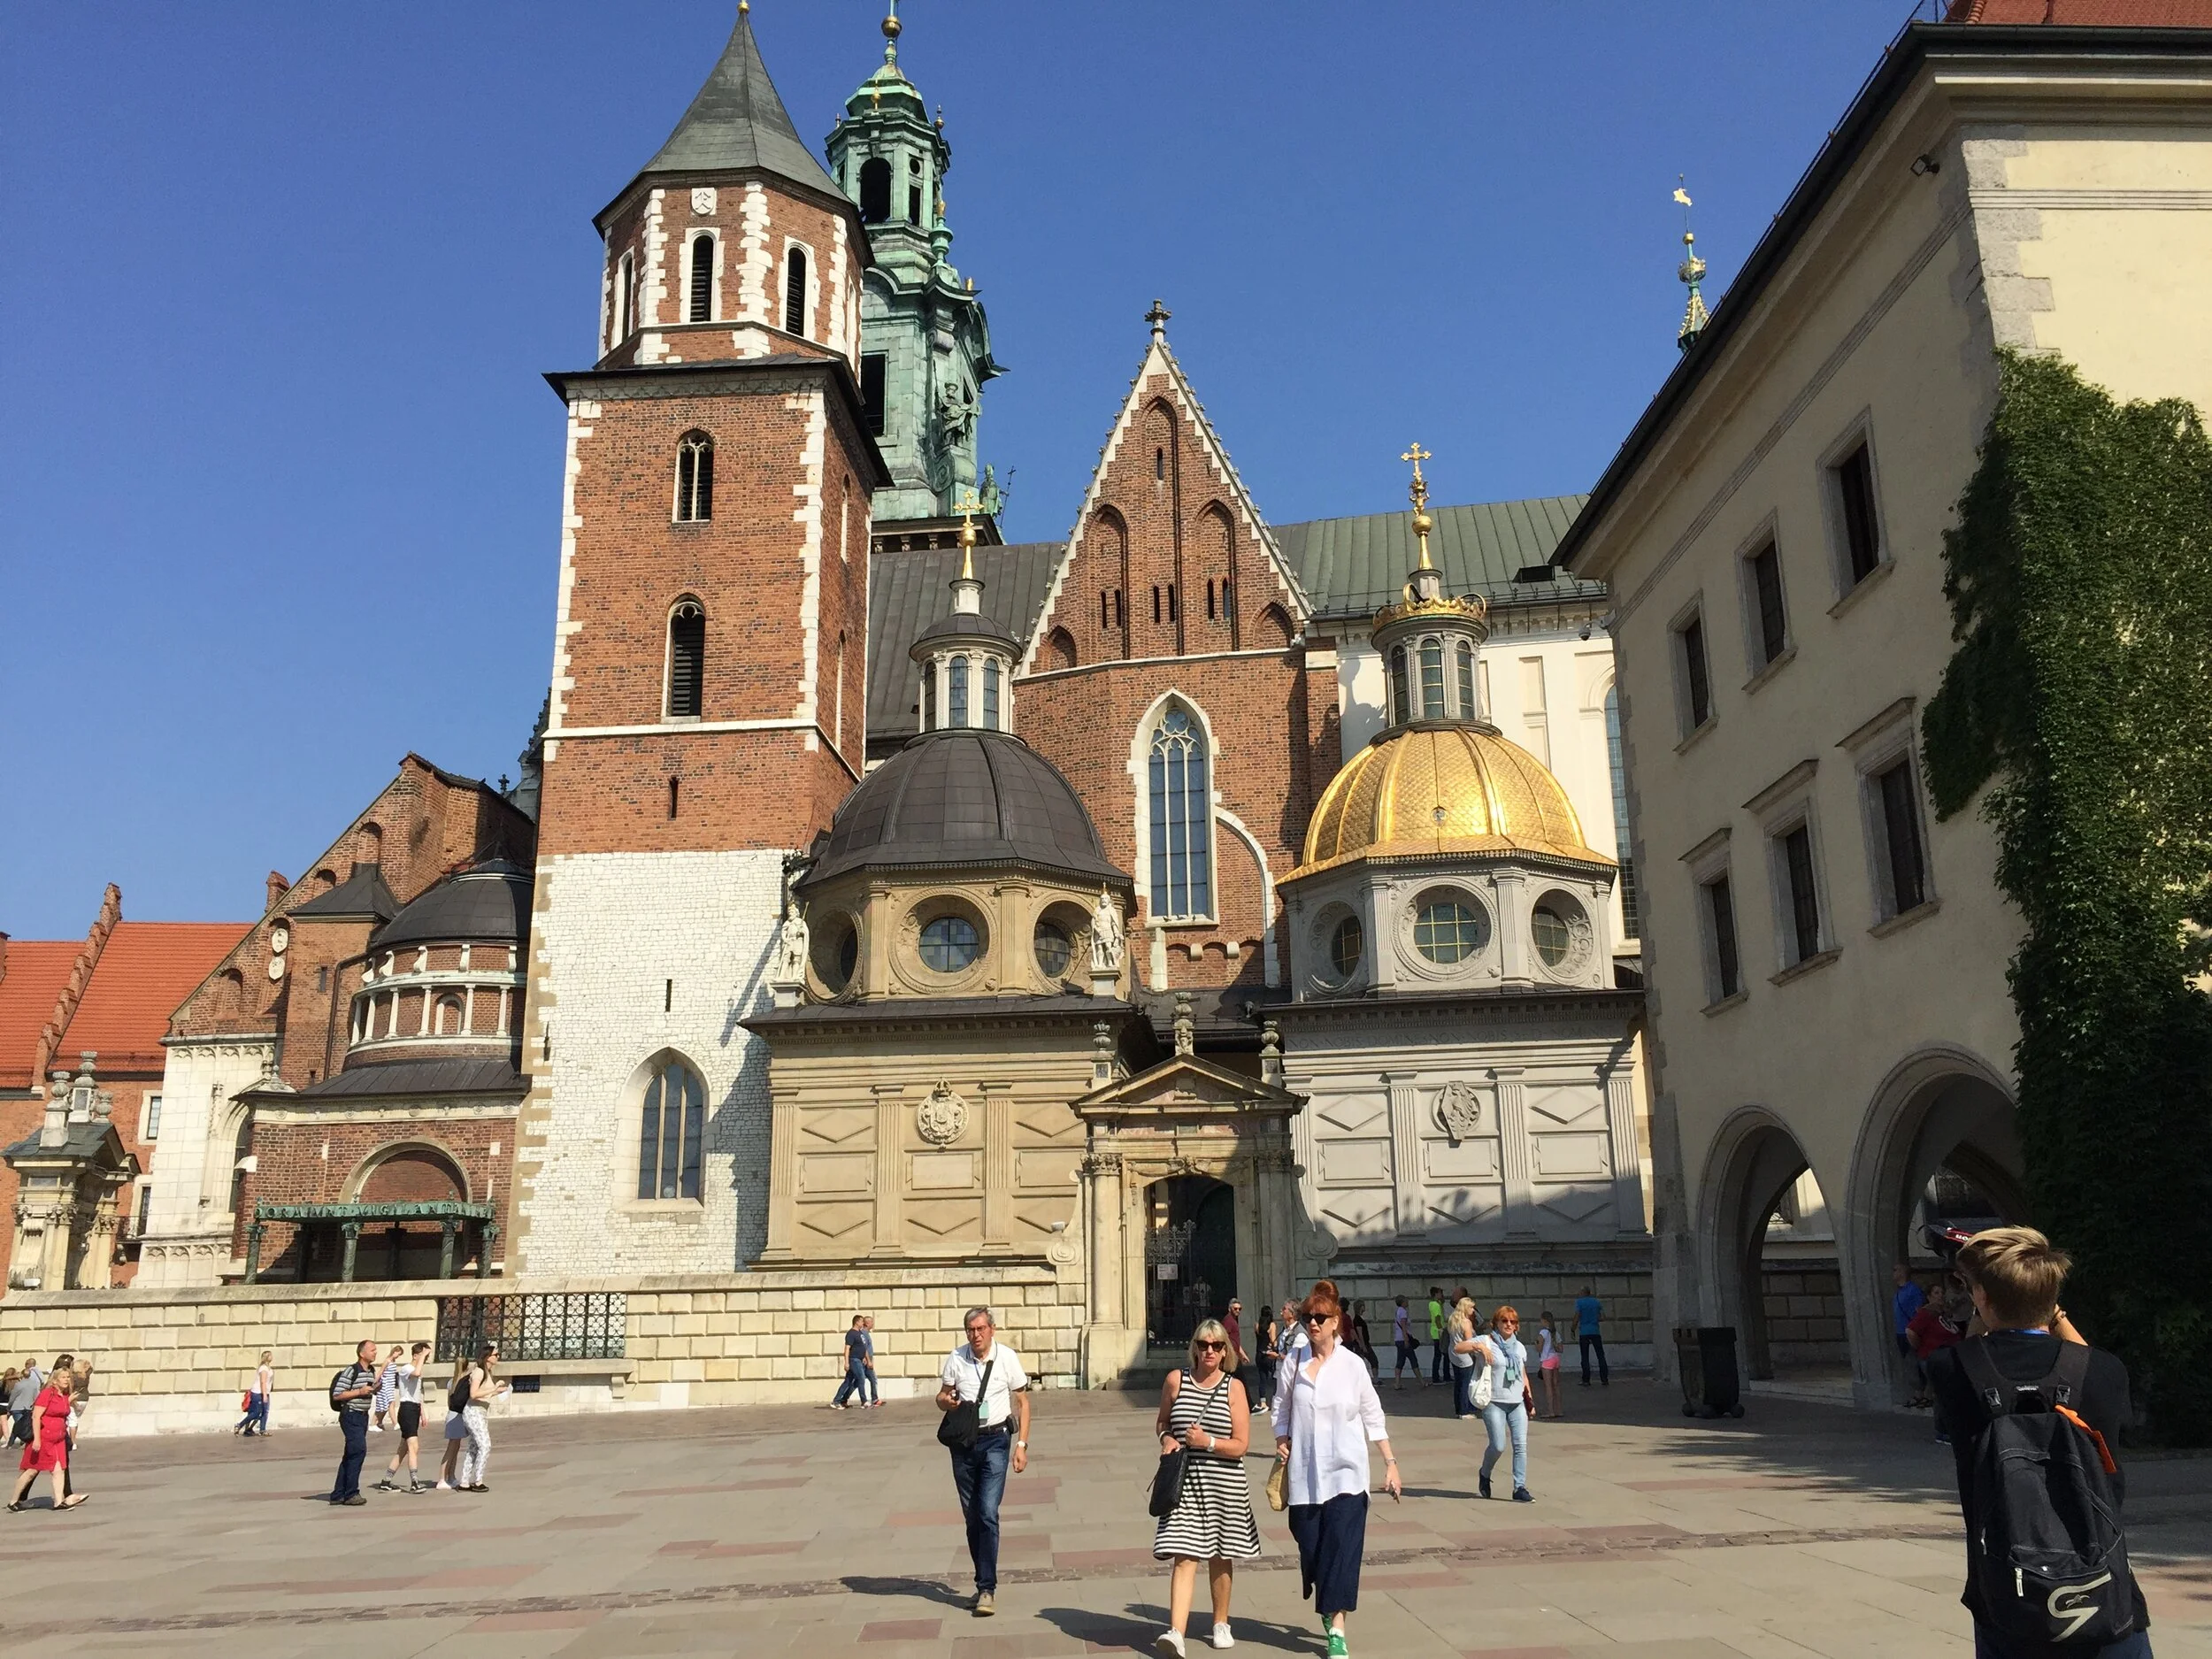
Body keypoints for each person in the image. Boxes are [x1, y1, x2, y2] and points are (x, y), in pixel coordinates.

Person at [1924, 1227, 2151, 1659]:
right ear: (2052, 1299)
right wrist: (2055, 1314)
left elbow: (1973, 1351)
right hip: (2104, 1592)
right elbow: (2086, 1363)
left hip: (2008, 1595)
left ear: (1982, 1297)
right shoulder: (2106, 1370)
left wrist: (1982, 1294)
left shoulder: (1950, 1369)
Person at [1274, 1280, 1399, 1659]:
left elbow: (1372, 1415)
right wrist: (1281, 1436)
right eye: (1308, 1317)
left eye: (1320, 1317)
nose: (1312, 1323)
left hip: (1347, 1474)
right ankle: (1328, 1598)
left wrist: (1390, 1463)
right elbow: (1281, 1406)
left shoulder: (1353, 1366)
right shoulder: (1295, 1361)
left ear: (1335, 1323)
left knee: (1342, 1549)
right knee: (1310, 1543)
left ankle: (1337, 1627)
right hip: (1305, 1476)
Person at [1151, 1317, 1261, 1655]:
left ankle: (1220, 1622)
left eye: (1216, 1346)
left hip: (1223, 1482)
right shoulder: (1175, 1381)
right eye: (1203, 1344)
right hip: (1184, 1483)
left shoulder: (1234, 1388)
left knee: (1219, 1554)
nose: (1209, 1351)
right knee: (1184, 1556)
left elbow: (1241, 1444)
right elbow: (1162, 1422)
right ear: (1194, 1348)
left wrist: (1208, 1441)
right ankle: (1176, 1633)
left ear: (1225, 1350)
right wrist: (1167, 1438)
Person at [936, 1306, 1031, 1618]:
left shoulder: (1006, 1358)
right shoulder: (956, 1358)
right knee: (972, 1516)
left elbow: (1023, 1402)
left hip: (996, 1440)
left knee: (988, 1511)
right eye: (970, 1330)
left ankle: (987, 1587)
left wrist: (1021, 1445)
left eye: (980, 1329)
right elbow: (942, 1396)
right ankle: (982, 1584)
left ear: (992, 1329)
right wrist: (945, 1401)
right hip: (964, 1444)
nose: (975, 1335)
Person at [1471, 1305, 1534, 1502]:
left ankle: (1519, 1488)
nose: (1508, 1325)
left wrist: (1529, 1400)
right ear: (1496, 1323)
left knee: (1521, 1446)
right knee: (1498, 1446)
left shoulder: (1520, 1347)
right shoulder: (1487, 1341)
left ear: (1517, 1326)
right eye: (1504, 1321)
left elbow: (1523, 1375)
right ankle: (1485, 1472)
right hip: (1494, 1402)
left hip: (1517, 1403)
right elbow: (1458, 1347)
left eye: (1513, 1322)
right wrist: (1479, 1347)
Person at [316, 1339, 379, 1506]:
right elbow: (338, 1394)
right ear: (362, 1353)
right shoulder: (351, 1371)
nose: (375, 1352)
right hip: (351, 1415)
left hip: (363, 1416)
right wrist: (359, 1391)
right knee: (358, 1451)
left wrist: (373, 1389)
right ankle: (351, 1493)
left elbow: (368, 1391)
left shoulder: (371, 1371)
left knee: (351, 1454)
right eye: (372, 1350)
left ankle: (338, 1494)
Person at [375, 1341, 432, 1493]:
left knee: (403, 1449)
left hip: (414, 1409)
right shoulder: (407, 1369)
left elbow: (417, 1394)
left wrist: (422, 1413)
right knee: (414, 1446)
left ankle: (386, 1481)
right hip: (406, 1410)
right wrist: (422, 1358)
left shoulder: (417, 1369)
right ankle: (414, 1482)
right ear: (415, 1355)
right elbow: (417, 1373)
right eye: (424, 1356)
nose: (426, 1359)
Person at [453, 1344, 509, 1492]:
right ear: (487, 1357)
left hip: (481, 1412)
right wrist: (494, 1388)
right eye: (496, 1355)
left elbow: (485, 1394)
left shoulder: (487, 1372)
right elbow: (474, 1394)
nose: (498, 1357)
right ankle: (478, 1481)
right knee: (485, 1445)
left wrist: (499, 1391)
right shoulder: (478, 1372)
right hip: (473, 1412)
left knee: (473, 1447)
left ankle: (464, 1482)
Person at [1893, 1263, 1931, 1406]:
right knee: (1910, 1364)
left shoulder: (1913, 1290)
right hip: (1900, 1332)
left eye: (1896, 1270)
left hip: (1910, 1332)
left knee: (1916, 1363)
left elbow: (1918, 1311)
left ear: (1903, 1272)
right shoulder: (1899, 1292)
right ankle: (1918, 1393)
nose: (1893, 1273)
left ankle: (1923, 1393)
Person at [436, 1356, 471, 1490]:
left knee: (455, 1447)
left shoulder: (452, 1381)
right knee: (451, 1449)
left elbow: (449, 1402)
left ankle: (450, 1476)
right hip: (457, 1415)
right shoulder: (464, 1381)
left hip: (452, 1414)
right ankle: (442, 1478)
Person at [1448, 1297, 1480, 1419]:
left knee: (1458, 1383)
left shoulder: (1453, 1319)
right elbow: (1469, 1341)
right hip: (1465, 1356)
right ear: (1465, 1308)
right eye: (1471, 1307)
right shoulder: (1466, 1322)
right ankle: (1464, 1411)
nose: (1473, 1310)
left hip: (1453, 1353)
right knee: (1465, 1383)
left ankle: (1459, 1409)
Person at [832, 1315, 870, 1409]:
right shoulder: (851, 1333)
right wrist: (846, 1362)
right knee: (861, 1379)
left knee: (848, 1381)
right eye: (861, 1321)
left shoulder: (860, 1333)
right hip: (854, 1360)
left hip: (859, 1360)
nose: (863, 1323)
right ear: (856, 1322)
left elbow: (862, 1347)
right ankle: (864, 1401)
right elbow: (847, 1348)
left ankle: (839, 1400)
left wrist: (865, 1357)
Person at [1575, 1285, 1608, 1386]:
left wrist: (1573, 1328)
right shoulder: (1596, 1302)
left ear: (1583, 1293)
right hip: (1595, 1331)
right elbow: (1603, 1317)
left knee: (1585, 1356)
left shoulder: (1579, 1302)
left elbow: (1577, 1316)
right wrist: (1594, 1320)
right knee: (1600, 1355)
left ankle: (1586, 1380)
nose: (1578, 1294)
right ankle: (1604, 1378)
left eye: (1580, 1292)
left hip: (1584, 1332)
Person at [9, 1359, 43, 1448]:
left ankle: (14, 1443)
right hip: (29, 1407)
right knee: (25, 1425)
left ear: (22, 1375)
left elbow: (13, 1397)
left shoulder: (18, 1384)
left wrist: (9, 1407)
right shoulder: (34, 1384)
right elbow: (37, 1397)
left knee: (18, 1425)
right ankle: (23, 1442)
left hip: (17, 1408)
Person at [237, 1350, 273, 1437]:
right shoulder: (263, 1368)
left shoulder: (268, 1368)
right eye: (270, 1355)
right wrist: (264, 1395)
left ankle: (262, 1430)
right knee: (256, 1413)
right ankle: (239, 1425)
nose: (272, 1357)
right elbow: (263, 1382)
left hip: (265, 1392)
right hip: (258, 1393)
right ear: (267, 1357)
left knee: (265, 1412)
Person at [1534, 1313, 1563, 1420]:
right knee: (1556, 1385)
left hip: (1546, 1360)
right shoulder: (1556, 1333)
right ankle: (1559, 1410)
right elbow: (1561, 1348)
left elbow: (1539, 1348)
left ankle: (1550, 1411)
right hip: (1555, 1358)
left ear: (1544, 1321)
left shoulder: (1543, 1332)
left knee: (1548, 1387)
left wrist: (1536, 1344)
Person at [370, 1342, 404, 1432]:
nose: (398, 1356)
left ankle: (380, 1422)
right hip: (384, 1386)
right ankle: (394, 1423)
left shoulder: (393, 1362)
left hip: (390, 1386)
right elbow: (381, 1372)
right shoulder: (387, 1361)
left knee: (388, 1405)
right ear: (395, 1351)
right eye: (398, 1353)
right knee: (384, 1405)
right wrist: (374, 1383)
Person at [1256, 1305, 1281, 1413]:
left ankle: (1263, 1402)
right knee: (1275, 1376)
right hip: (1269, 1354)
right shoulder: (1272, 1325)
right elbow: (1273, 1340)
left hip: (1259, 1354)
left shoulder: (1257, 1325)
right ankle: (1276, 1399)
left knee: (1262, 1379)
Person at [1390, 1297, 1416, 1391]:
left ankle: (1397, 1383)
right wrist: (1406, 1340)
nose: (1408, 1301)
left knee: (1400, 1361)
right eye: (1406, 1300)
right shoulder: (1403, 1312)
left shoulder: (1398, 1311)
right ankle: (1421, 1381)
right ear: (1403, 1302)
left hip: (1398, 1339)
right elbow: (1404, 1326)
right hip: (1403, 1339)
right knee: (1413, 1360)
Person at [1425, 1287, 1448, 1386]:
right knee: (1441, 1355)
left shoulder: (1432, 1304)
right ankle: (1437, 1377)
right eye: (1440, 1293)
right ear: (1436, 1294)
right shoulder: (1436, 1305)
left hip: (1435, 1332)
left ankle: (1439, 1376)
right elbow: (1438, 1319)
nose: (1442, 1295)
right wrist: (1441, 1330)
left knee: (1439, 1355)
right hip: (1438, 1332)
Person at [861, 1314, 882, 1408]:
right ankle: (874, 1399)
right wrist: (867, 1360)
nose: (873, 1324)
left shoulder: (866, 1333)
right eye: (872, 1322)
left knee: (858, 1381)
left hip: (867, 1361)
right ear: (867, 1323)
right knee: (872, 1379)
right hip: (866, 1362)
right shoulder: (864, 1334)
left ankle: (875, 1398)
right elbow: (863, 1347)